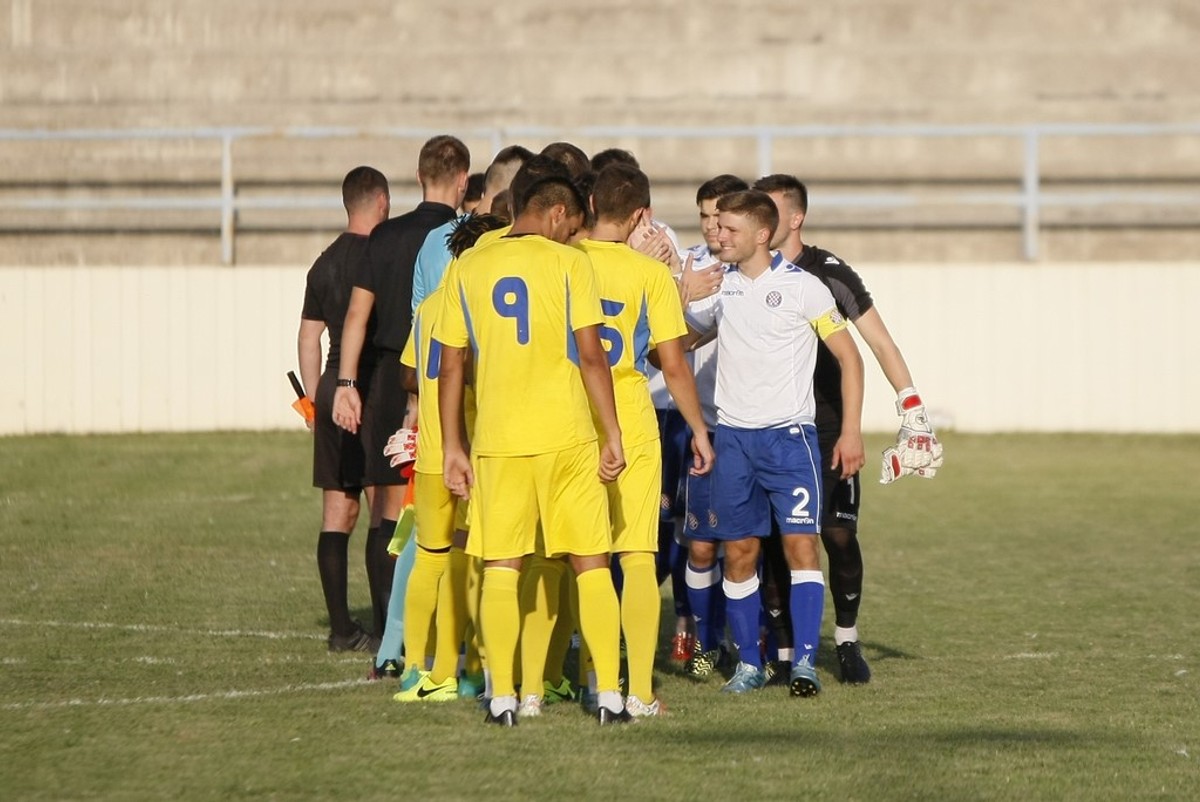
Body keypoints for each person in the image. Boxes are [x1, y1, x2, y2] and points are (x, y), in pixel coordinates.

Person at [435, 174, 631, 727]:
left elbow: (452, 364)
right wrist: (612, 433)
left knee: (501, 566)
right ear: (555, 214)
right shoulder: (570, 264)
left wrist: (454, 444)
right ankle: (610, 698)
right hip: (567, 436)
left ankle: (502, 698)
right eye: (571, 226)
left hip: (499, 441)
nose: (572, 235)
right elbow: (592, 357)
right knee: (591, 563)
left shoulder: (468, 266)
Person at [752, 173, 945, 683]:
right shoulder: (747, 273)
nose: (759, 219)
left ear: (795, 218)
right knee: (776, 539)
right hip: (770, 427)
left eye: (769, 210)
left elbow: (880, 342)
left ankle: (846, 639)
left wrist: (912, 411)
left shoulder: (828, 272)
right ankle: (785, 652)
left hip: (830, 427)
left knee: (837, 535)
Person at [684, 189, 866, 697]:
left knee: (801, 546)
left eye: (730, 230)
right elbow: (672, 350)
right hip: (735, 442)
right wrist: (679, 295)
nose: (718, 236)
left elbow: (851, 359)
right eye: (718, 228)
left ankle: (804, 664)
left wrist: (850, 430)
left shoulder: (806, 289)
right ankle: (749, 664)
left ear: (762, 235)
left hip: (790, 442)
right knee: (738, 553)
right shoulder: (720, 289)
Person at [578, 163, 715, 716]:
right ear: (639, 215)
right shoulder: (649, 275)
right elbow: (675, 366)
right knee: (637, 557)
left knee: (587, 560)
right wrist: (700, 431)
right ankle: (638, 692)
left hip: (574, 418)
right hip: (633, 417)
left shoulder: (566, 262)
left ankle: (595, 681)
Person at [331, 135, 470, 642]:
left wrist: (347, 382)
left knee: (389, 511)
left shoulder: (384, 237)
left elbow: (355, 316)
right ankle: (442, 631)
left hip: (393, 374)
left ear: (418, 178)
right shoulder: (465, 236)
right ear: (462, 180)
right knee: (450, 510)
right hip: (451, 373)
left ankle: (393, 636)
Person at [297, 165, 391, 654]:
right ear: (380, 203)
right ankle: (383, 627)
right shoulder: (378, 255)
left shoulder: (324, 262)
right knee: (382, 508)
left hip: (332, 387)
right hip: (370, 385)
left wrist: (315, 401)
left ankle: (340, 629)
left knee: (337, 511)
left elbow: (309, 337)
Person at [676, 174, 749, 678]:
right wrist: (680, 293)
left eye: (720, 218)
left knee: (745, 545)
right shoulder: (689, 268)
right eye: (704, 217)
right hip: (702, 427)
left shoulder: (757, 273)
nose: (711, 228)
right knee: (699, 544)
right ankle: (705, 641)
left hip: (749, 428)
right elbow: (668, 345)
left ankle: (753, 642)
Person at [411, 145, 533, 311]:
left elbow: (419, 319)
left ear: (483, 191)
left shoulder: (435, 239)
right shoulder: (524, 244)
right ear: (522, 196)